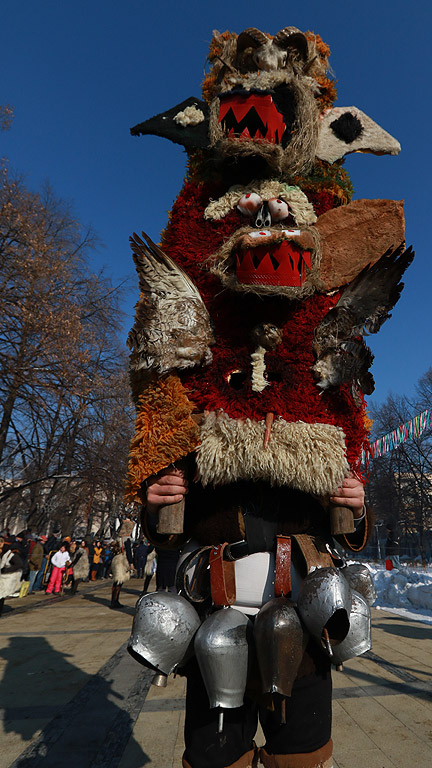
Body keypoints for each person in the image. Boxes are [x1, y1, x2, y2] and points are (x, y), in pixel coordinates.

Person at [144, 468, 370, 768]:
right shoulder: (193, 442)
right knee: (214, 758)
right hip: (213, 630)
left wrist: (356, 509)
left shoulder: (323, 438)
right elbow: (168, 531)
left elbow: (347, 531)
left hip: (304, 634)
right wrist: (156, 503)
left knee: (300, 758)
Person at [0, 537, 24, 616]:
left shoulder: (11, 555)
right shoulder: (3, 554)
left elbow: (19, 564)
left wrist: (6, 570)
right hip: (2, 576)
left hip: (7, 577)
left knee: (1, 594)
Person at [110, 542, 132, 609]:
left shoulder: (118, 541)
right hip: (121, 562)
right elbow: (129, 552)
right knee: (118, 582)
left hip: (117, 561)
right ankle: (114, 601)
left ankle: (114, 600)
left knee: (117, 582)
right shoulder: (125, 540)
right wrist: (131, 563)